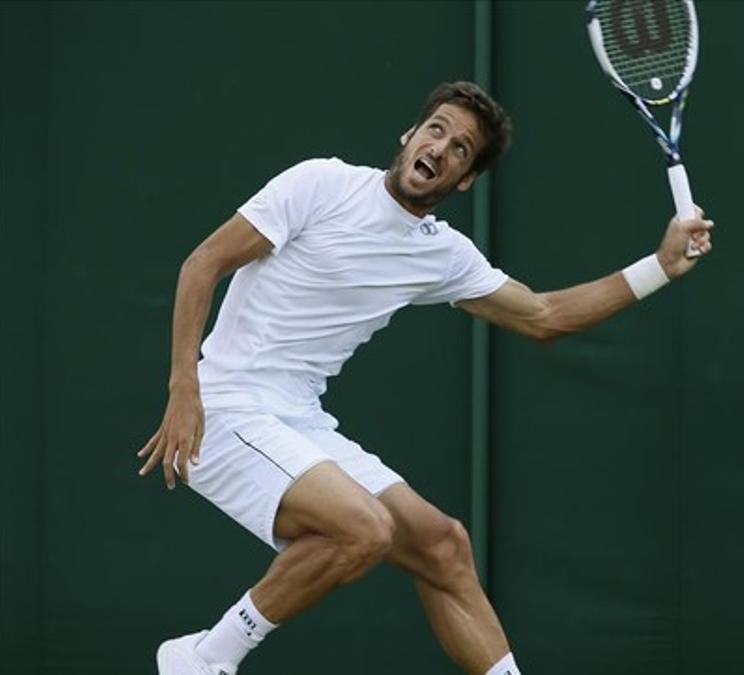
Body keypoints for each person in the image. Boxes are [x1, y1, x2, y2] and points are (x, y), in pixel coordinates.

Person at [137, 80, 713, 675]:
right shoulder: (320, 183)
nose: (441, 147)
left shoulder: (442, 253)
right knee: (364, 529)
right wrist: (185, 389)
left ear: (464, 180)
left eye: (461, 149)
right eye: (436, 129)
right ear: (409, 136)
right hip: (224, 408)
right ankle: (207, 660)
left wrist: (661, 268)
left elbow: (545, 316)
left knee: (443, 544)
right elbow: (203, 264)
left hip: (299, 419)